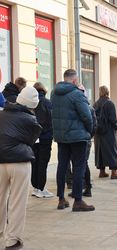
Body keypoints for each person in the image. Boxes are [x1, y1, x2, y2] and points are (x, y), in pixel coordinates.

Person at [0, 86, 42, 249]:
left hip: (0, 161)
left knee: (0, 198)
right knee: (17, 201)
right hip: (19, 163)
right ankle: (12, 240)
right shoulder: (31, 120)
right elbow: (31, 140)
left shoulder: (1, 114)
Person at [51, 69, 94, 212]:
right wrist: (90, 131)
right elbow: (87, 116)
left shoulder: (54, 93)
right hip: (77, 137)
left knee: (62, 166)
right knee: (79, 167)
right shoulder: (77, 94)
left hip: (62, 136)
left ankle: (61, 199)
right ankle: (78, 200)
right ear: (75, 80)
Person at [94, 85, 117, 179]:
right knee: (112, 151)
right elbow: (113, 119)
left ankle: (102, 172)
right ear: (107, 92)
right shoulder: (109, 103)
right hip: (108, 131)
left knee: (100, 152)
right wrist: (116, 126)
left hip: (98, 132)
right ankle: (114, 172)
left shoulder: (96, 103)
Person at [31, 82, 54, 198]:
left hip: (34, 138)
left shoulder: (32, 103)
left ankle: (35, 187)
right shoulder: (47, 103)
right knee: (43, 162)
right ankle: (41, 188)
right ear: (44, 91)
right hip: (45, 137)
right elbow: (50, 120)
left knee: (35, 162)